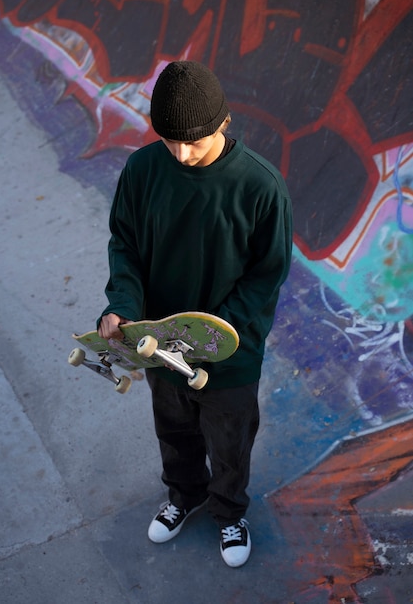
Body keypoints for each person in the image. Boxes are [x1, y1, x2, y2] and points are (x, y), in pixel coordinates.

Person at [97, 61, 293, 567]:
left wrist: (213, 333)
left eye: (195, 142)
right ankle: (185, 497)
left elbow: (265, 274)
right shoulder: (142, 170)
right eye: (170, 141)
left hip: (231, 349)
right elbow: (126, 245)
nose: (182, 154)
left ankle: (229, 513)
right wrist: (122, 306)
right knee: (175, 428)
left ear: (223, 124)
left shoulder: (259, 188)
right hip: (160, 340)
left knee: (229, 439)